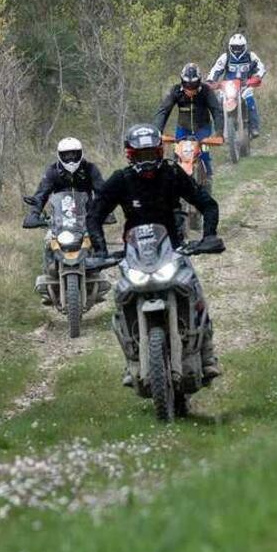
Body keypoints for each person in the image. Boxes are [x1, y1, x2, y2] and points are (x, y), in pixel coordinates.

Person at [87, 124, 222, 382]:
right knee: (120, 300)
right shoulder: (121, 180)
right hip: (134, 255)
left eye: (151, 154)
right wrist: (102, 250)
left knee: (196, 293)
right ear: (130, 155)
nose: (147, 162)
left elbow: (206, 203)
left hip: (173, 248)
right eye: (141, 156)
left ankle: (207, 355)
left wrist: (209, 236)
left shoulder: (172, 174)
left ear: (160, 152)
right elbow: (94, 215)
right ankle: (132, 361)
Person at [153, 63, 223, 182]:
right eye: (186, 84)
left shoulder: (206, 90)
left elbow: (216, 111)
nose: (190, 88)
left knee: (203, 152)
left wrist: (219, 132)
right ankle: (174, 183)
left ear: (199, 82)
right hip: (183, 128)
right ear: (182, 82)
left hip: (203, 128)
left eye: (194, 84)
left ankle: (208, 179)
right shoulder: (176, 91)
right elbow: (163, 111)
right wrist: (157, 132)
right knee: (177, 154)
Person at [22, 137, 104, 228]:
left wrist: (104, 210)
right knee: (49, 239)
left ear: (80, 153)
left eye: (74, 154)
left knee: (97, 239)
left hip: (87, 219)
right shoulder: (53, 171)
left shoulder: (90, 169)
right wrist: (34, 214)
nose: (71, 159)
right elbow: (41, 194)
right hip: (59, 221)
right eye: (66, 155)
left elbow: (101, 191)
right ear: (60, 155)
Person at [207, 33, 266, 137]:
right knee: (218, 103)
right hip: (227, 87)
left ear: (244, 46)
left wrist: (257, 76)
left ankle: (254, 128)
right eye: (234, 47)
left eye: (239, 47)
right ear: (230, 47)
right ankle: (219, 130)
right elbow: (215, 69)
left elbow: (261, 67)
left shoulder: (250, 56)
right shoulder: (225, 57)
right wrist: (210, 80)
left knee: (250, 100)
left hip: (245, 86)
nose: (237, 50)